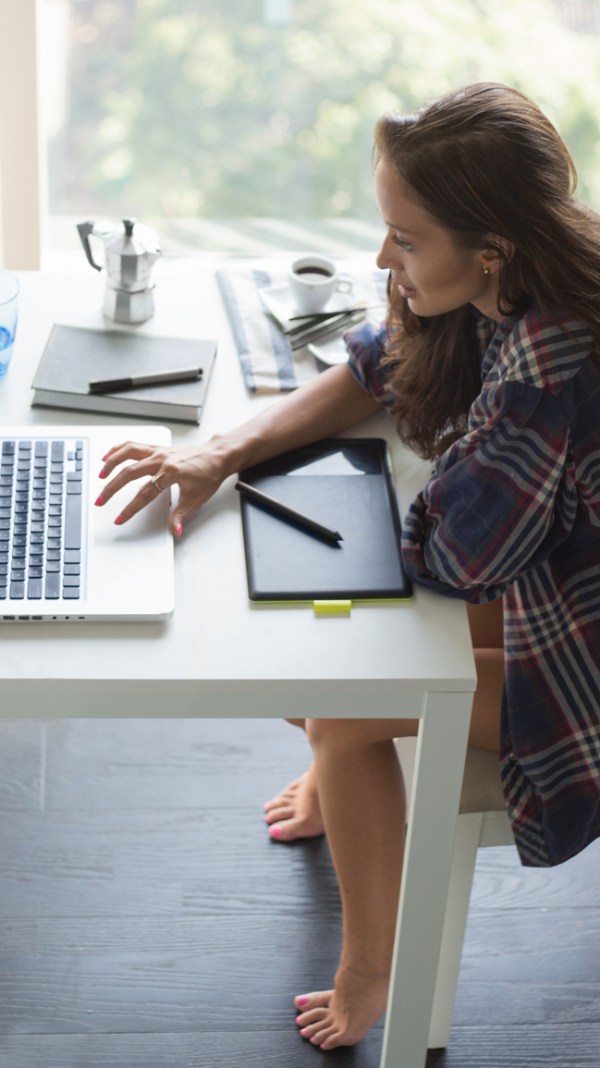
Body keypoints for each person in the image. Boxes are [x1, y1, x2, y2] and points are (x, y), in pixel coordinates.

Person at [94, 82, 600, 1050]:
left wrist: (421, 481)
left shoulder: (551, 364)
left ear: (487, 249)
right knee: (298, 620)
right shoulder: (505, 280)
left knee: (335, 689)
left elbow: (452, 556)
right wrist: (219, 453)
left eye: (404, 242)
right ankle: (342, 772)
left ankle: (373, 975)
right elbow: (374, 365)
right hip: (550, 580)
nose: (381, 259)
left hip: (578, 653)